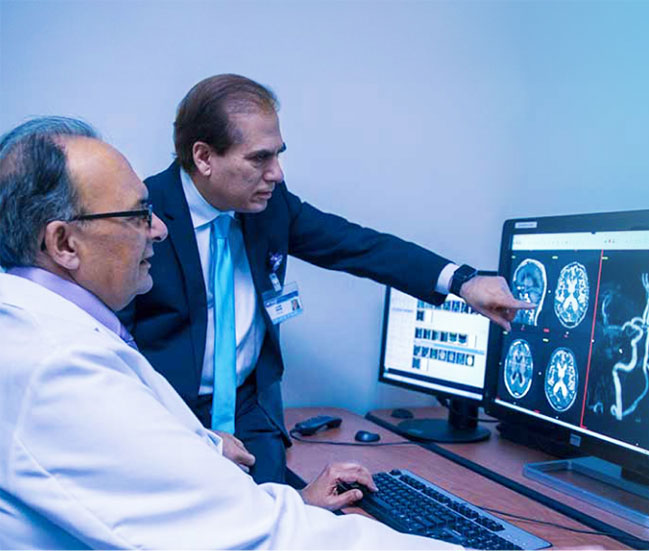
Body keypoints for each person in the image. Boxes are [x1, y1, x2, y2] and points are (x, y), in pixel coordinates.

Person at [0, 117, 456, 549]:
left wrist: (461, 280)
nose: (157, 229)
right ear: (63, 243)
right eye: (138, 214)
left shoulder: (49, 326)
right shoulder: (60, 367)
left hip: (240, 430)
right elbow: (256, 539)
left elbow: (359, 245)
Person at [122, 74, 533, 483]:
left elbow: (357, 246)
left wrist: (463, 281)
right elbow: (111, 348)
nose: (277, 174)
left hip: (251, 415)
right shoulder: (140, 214)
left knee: (294, 523)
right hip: (169, 417)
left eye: (278, 154)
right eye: (259, 158)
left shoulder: (269, 206)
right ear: (204, 157)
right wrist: (196, 436)